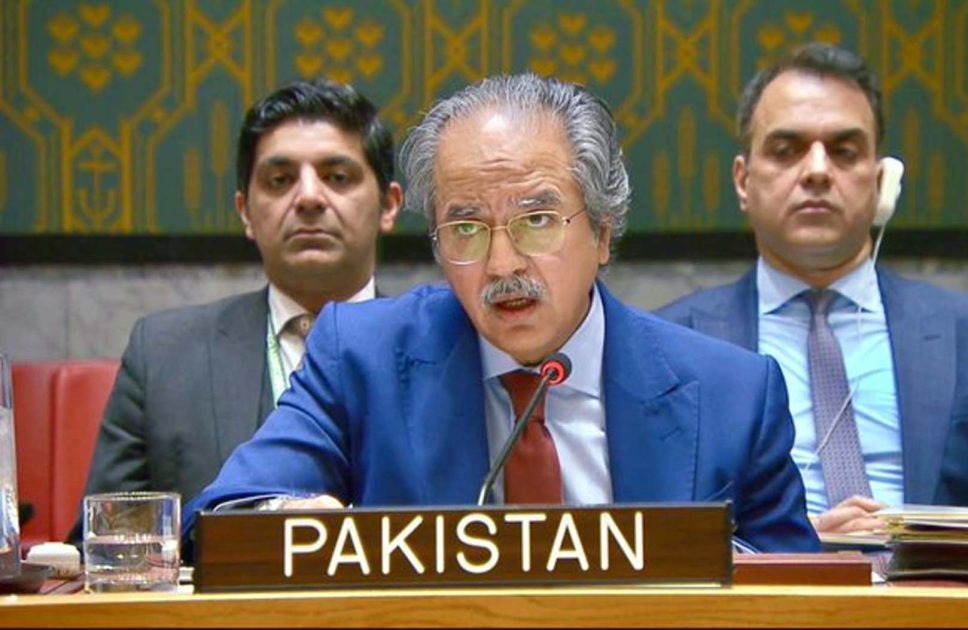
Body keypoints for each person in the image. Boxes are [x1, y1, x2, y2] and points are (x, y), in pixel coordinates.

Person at [182, 73, 818, 553]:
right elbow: (221, 517)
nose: (501, 264)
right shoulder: (360, 358)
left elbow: (797, 592)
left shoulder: (733, 394)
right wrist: (285, 520)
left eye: (537, 220)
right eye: (465, 228)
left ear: (602, 233)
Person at [657, 43, 968, 534]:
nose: (817, 171)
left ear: (881, 182)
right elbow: (652, 538)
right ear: (742, 181)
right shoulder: (671, 343)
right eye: (786, 150)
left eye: (844, 151)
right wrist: (798, 548)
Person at [75, 79, 404, 534]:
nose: (308, 197)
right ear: (246, 211)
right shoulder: (164, 355)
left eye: (337, 177)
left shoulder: (447, 350)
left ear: (389, 205)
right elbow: (107, 542)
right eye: (280, 180)